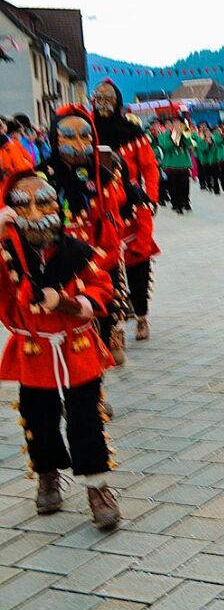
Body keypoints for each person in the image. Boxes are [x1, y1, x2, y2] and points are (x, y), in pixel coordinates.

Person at [0, 171, 121, 529]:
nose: (36, 212)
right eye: (24, 205)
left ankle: (97, 487)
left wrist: (68, 303)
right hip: (34, 351)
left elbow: (102, 290)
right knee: (39, 419)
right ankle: (48, 475)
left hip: (76, 349)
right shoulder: (6, 256)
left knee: (86, 418)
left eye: (44, 201)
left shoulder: (78, 252)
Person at [40, 106, 128, 373]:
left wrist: (103, 260)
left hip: (97, 261)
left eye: (86, 136)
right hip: (58, 261)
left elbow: (112, 220)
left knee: (96, 323)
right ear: (56, 139)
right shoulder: (41, 178)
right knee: (61, 326)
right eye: (70, 137)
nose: (80, 144)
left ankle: (94, 389)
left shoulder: (104, 177)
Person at [91, 79, 161, 342]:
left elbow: (150, 168)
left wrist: (151, 199)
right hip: (101, 210)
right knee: (106, 268)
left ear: (117, 102)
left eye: (108, 99)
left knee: (138, 265)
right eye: (99, 99)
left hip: (133, 208)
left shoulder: (133, 134)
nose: (103, 104)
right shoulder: (87, 132)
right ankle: (114, 325)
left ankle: (141, 316)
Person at [157, 114, 195, 214]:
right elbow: (165, 146)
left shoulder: (185, 132)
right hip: (172, 165)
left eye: (178, 122)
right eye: (174, 122)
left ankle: (185, 201)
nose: (176, 124)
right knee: (174, 186)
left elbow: (189, 143)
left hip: (184, 164)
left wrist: (183, 132)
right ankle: (177, 204)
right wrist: (174, 135)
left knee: (185, 185)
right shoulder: (164, 134)